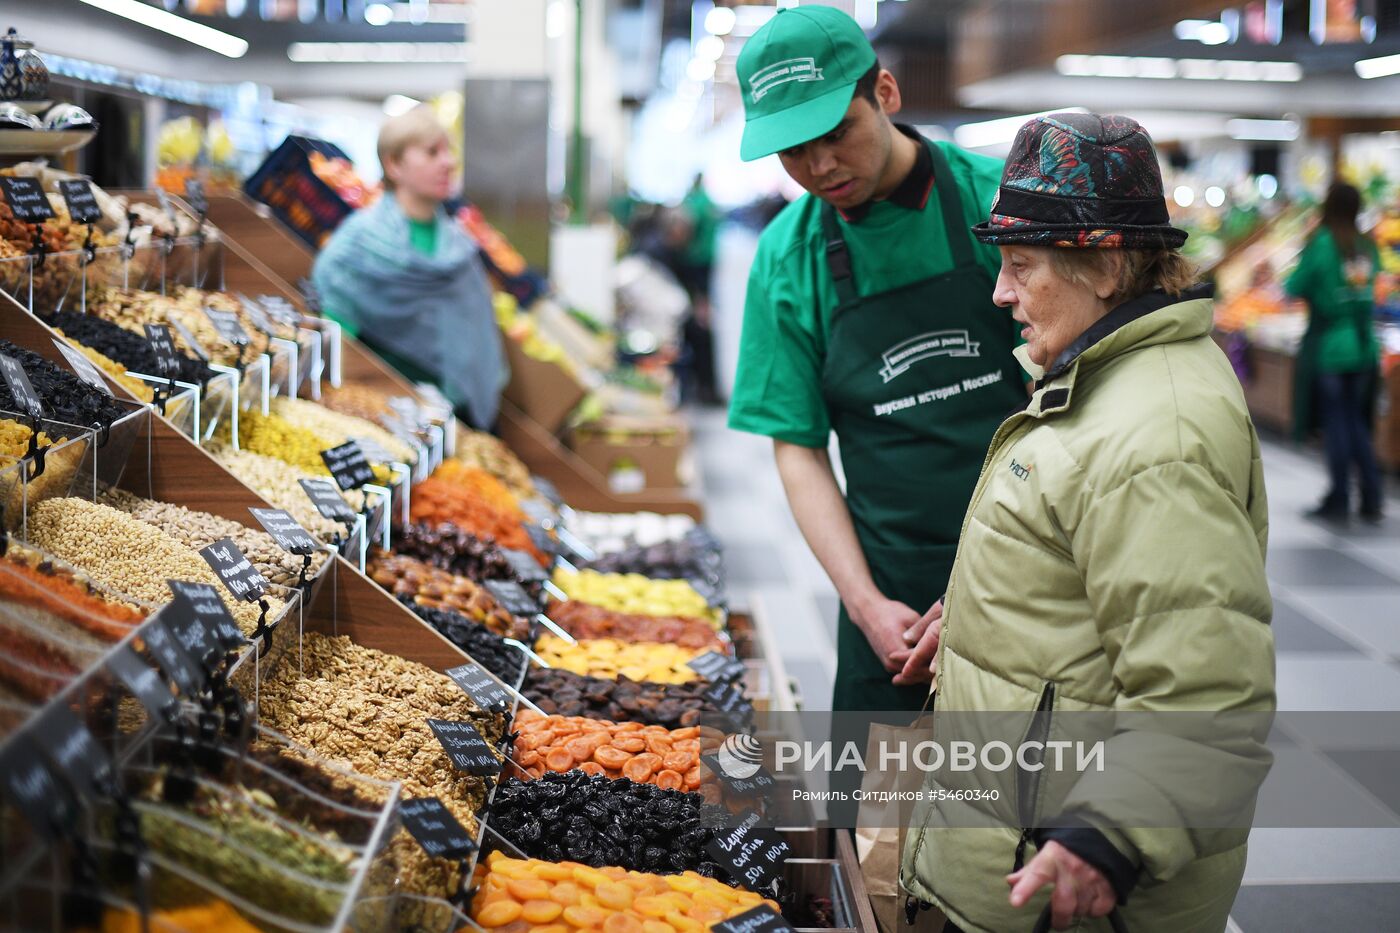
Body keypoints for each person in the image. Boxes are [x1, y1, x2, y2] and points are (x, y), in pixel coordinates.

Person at [898, 113, 1276, 932]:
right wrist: (979, 621)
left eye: (1021, 266)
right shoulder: (1110, 377)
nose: (1000, 292)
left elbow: (1210, 694)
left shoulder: (1157, 435)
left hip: (1066, 895)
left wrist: (1108, 838)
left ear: (1105, 264)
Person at [726, 6, 1024, 713]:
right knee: (879, 814)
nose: (819, 166)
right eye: (793, 151)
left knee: (1025, 808)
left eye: (835, 134)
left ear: (884, 94)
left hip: (1032, 569)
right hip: (892, 598)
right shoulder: (788, 258)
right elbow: (796, 447)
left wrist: (1008, 577)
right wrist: (864, 604)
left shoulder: (1000, 203)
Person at [313, 106, 506, 430]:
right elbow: (333, 334)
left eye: (448, 151)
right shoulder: (359, 242)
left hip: (455, 418)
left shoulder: (460, 246)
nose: (448, 163)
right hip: (382, 412)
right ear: (394, 164)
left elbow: (476, 332)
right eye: (432, 153)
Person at [1286, 182, 1384, 523]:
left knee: (1337, 423)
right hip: (1364, 344)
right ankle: (1371, 494)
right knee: (1357, 420)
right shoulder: (1366, 245)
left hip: (1330, 347)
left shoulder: (1323, 244)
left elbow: (1293, 285)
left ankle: (1340, 495)